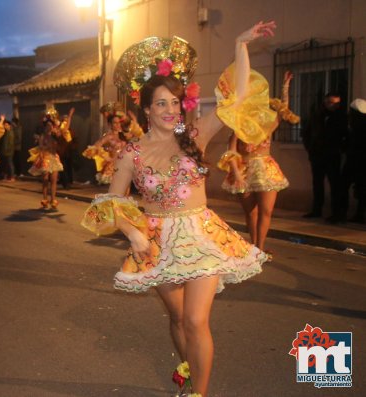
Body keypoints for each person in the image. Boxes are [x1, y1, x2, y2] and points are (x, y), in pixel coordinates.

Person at [81, 22, 275, 397]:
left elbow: (236, 98)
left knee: (195, 318)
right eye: (161, 104)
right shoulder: (131, 154)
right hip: (157, 241)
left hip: (202, 234)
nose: (170, 110)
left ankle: (198, 393)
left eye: (175, 102)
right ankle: (188, 369)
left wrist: (239, 44)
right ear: (147, 109)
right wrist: (134, 232)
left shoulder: (196, 135)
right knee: (177, 318)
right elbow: (111, 203)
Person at [218, 71, 300, 255]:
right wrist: (237, 174)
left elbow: (283, 109)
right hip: (245, 171)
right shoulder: (238, 128)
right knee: (251, 213)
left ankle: (260, 248)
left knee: (266, 211)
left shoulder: (268, 126)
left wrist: (285, 87)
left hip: (266, 170)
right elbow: (231, 152)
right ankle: (253, 246)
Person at [301, 92, 349, 223]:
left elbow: (346, 135)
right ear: (325, 102)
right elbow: (306, 132)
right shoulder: (317, 115)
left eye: (336, 103)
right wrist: (310, 148)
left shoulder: (341, 117)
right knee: (317, 183)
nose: (333, 106)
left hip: (332, 155)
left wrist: (340, 148)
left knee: (335, 185)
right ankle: (316, 210)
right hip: (317, 154)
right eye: (330, 102)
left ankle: (336, 213)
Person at [83, 103, 143, 185]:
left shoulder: (125, 135)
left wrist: (133, 119)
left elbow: (138, 134)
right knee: (117, 193)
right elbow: (95, 147)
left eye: (119, 123)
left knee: (126, 193)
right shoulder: (108, 137)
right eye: (115, 123)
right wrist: (106, 157)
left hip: (126, 166)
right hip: (115, 167)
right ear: (110, 124)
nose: (118, 125)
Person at [28, 109, 67, 209]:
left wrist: (68, 117)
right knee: (45, 179)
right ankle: (45, 198)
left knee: (53, 180)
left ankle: (53, 199)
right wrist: (46, 149)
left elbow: (64, 132)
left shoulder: (55, 136)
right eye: (47, 125)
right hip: (45, 158)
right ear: (45, 127)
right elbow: (41, 147)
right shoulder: (42, 136)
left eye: (51, 125)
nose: (49, 127)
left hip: (54, 158)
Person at [341, 98, 366, 223]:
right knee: (358, 188)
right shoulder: (353, 125)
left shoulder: (357, 126)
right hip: (354, 160)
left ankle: (357, 214)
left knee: (360, 189)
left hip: (358, 162)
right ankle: (356, 214)